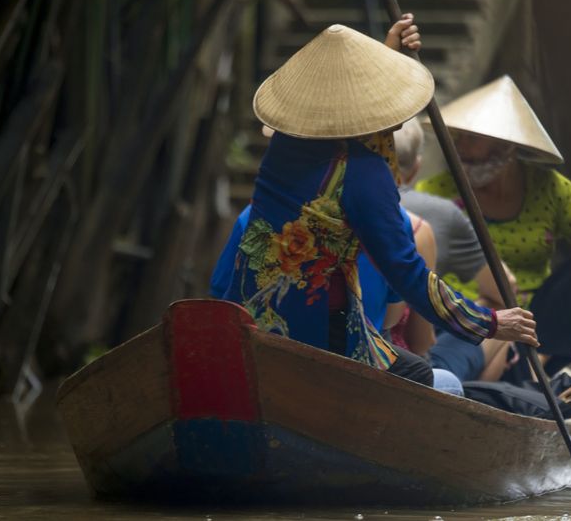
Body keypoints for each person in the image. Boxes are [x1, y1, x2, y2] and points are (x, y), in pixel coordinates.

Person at [216, 23, 538, 388]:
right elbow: (407, 273)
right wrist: (489, 323)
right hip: (317, 339)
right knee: (422, 374)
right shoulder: (364, 174)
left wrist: (388, 57)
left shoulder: (284, 149)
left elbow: (359, 132)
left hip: (253, 320)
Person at [416, 75, 571, 380]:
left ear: (506, 146)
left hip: (530, 327)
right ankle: (469, 370)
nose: (460, 150)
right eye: (457, 138)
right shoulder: (435, 192)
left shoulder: (549, 189)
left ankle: (530, 370)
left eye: (472, 139)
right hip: (460, 318)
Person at [393, 118, 520, 382]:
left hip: (373, 347)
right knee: (503, 316)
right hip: (401, 363)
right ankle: (474, 400)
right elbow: (420, 342)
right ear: (416, 168)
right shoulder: (423, 226)